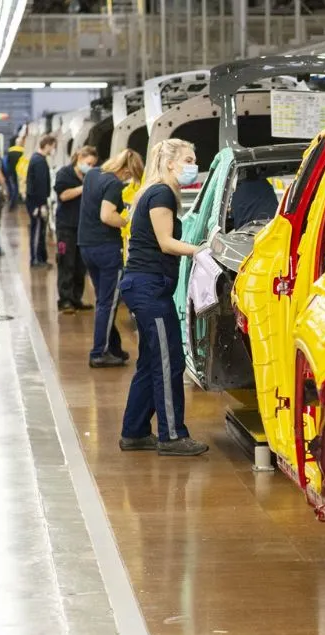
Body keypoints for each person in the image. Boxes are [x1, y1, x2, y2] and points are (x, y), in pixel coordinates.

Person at [118, 139, 208, 457]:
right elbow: (166, 242)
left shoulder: (157, 192)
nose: (193, 165)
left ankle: (134, 432)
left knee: (150, 361)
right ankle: (171, 435)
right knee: (170, 361)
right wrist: (202, 251)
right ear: (170, 163)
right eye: (188, 160)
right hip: (149, 287)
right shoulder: (161, 193)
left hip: (146, 286)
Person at [79, 148, 144, 368]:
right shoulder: (114, 183)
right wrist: (126, 221)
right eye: (129, 175)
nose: (127, 180)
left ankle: (113, 347)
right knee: (108, 303)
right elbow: (107, 215)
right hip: (106, 249)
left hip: (86, 246)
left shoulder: (92, 174)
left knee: (104, 300)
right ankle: (99, 353)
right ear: (126, 169)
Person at [54, 145, 98, 313]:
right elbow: (63, 195)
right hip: (66, 227)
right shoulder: (64, 174)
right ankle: (65, 300)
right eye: (88, 163)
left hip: (83, 228)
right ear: (79, 158)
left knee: (81, 265)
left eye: (93, 164)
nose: (90, 167)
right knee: (66, 262)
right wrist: (84, 187)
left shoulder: (89, 175)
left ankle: (76, 298)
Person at [26, 134, 57, 268]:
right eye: (53, 147)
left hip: (37, 202)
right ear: (47, 145)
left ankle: (41, 259)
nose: (53, 150)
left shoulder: (38, 159)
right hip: (37, 204)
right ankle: (35, 260)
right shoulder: (39, 161)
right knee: (37, 231)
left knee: (40, 231)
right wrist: (40, 205)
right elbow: (38, 185)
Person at [5, 137, 24, 210]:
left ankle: (12, 202)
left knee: (14, 187)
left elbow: (7, 163)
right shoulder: (23, 151)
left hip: (12, 172)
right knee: (18, 187)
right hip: (21, 172)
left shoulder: (10, 151)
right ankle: (15, 202)